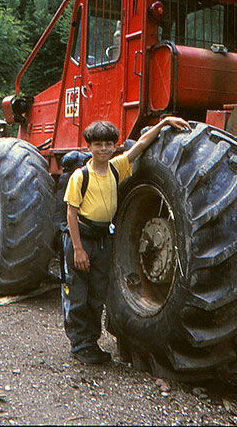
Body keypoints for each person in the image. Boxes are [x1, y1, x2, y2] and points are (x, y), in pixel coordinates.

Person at [62, 116, 191, 364]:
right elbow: (71, 212)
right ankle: (80, 345)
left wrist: (163, 123)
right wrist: (78, 249)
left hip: (101, 241)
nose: (103, 149)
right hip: (83, 239)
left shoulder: (115, 168)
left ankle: (91, 343)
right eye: (98, 144)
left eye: (108, 144)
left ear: (114, 146)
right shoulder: (80, 176)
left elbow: (141, 145)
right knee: (78, 293)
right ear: (89, 146)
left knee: (97, 294)